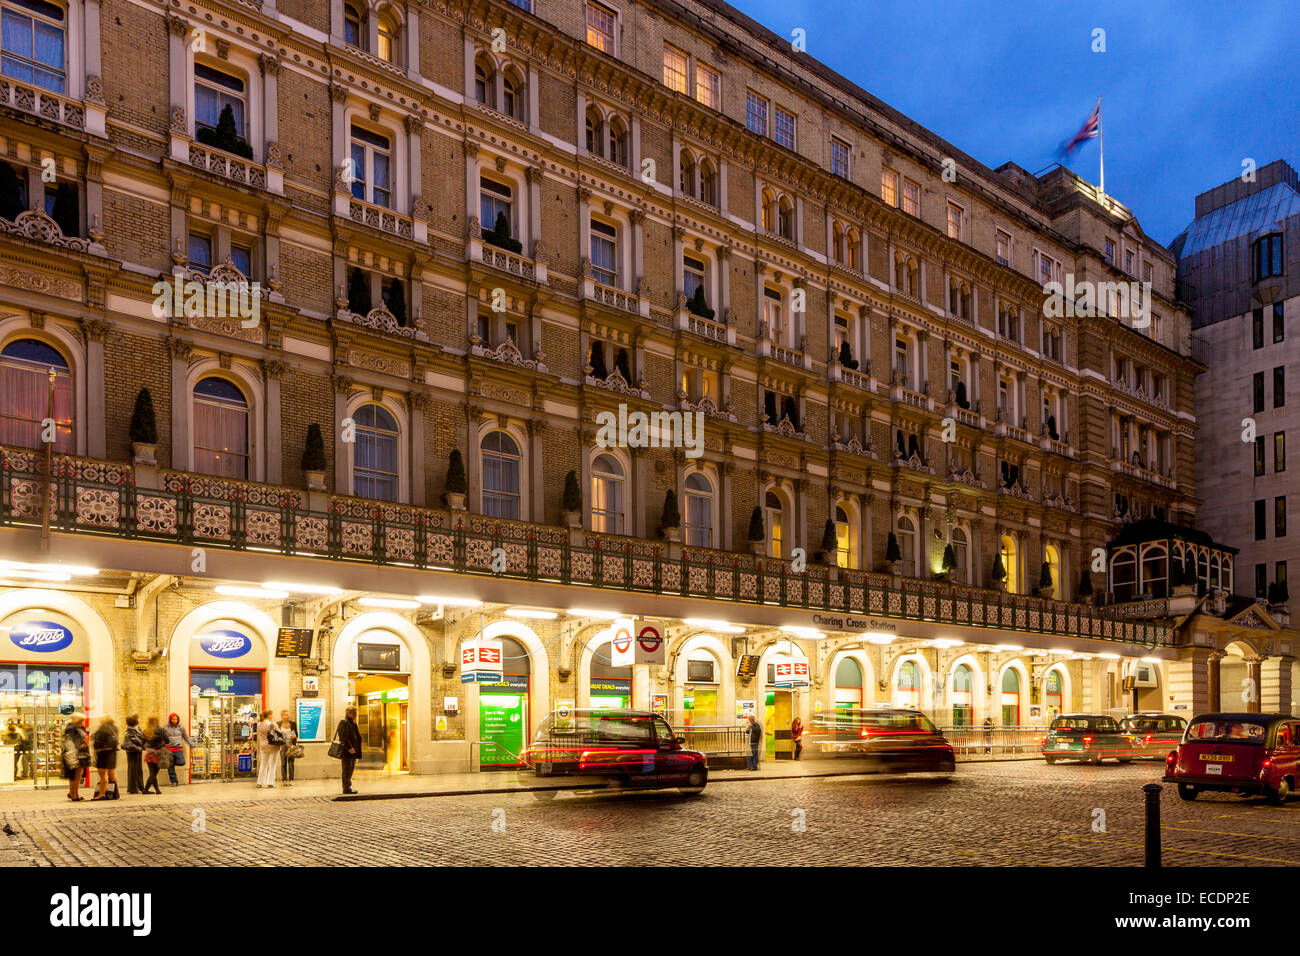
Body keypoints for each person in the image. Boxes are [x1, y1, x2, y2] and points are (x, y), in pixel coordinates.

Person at [90, 715, 120, 800]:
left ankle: (101, 794)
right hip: (112, 753)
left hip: (104, 753)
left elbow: (97, 740)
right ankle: (115, 793)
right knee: (112, 774)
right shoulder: (114, 728)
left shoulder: (103, 728)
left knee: (103, 775)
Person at [62, 714, 90, 801]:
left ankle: (75, 793)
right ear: (77, 721)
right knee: (75, 775)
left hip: (79, 754)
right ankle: (74, 794)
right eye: (81, 721)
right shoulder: (72, 729)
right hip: (75, 754)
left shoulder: (76, 728)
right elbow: (70, 743)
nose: (83, 723)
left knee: (77, 775)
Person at [336, 706, 363, 794]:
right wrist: (349, 748)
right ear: (348, 713)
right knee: (346, 769)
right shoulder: (344, 722)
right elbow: (343, 737)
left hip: (354, 751)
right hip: (347, 751)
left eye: (356, 713)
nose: (355, 714)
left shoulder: (353, 724)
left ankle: (348, 786)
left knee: (350, 769)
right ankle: (346, 788)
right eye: (354, 713)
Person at [160, 713, 191, 786]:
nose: (175, 720)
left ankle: (173, 763)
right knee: (170, 767)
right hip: (168, 749)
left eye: (176, 719)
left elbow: (186, 737)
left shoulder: (181, 728)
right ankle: (174, 781)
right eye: (173, 719)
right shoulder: (165, 728)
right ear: (170, 719)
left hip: (178, 749)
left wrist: (191, 744)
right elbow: (162, 738)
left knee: (181, 762)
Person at [255, 709, 282, 789]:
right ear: (269, 715)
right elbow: (279, 733)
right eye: (271, 714)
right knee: (272, 765)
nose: (272, 716)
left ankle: (259, 783)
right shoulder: (273, 724)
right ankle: (270, 783)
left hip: (263, 746)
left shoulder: (259, 725)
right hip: (273, 746)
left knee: (263, 764)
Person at [122, 715, 145, 794]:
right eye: (138, 719)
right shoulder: (131, 730)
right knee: (133, 769)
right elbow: (137, 739)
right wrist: (143, 743)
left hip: (137, 750)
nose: (139, 720)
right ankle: (133, 788)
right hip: (133, 751)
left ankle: (140, 787)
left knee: (138, 769)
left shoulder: (136, 728)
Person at [142, 716, 164, 795]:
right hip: (157, 752)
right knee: (154, 773)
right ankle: (154, 790)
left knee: (152, 772)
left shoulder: (145, 730)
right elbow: (167, 740)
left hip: (149, 753)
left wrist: (146, 747)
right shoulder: (160, 730)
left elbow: (142, 743)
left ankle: (148, 790)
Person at [278, 710, 299, 785]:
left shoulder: (293, 724)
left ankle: (291, 779)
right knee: (283, 763)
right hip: (282, 746)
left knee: (291, 763)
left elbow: (297, 734)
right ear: (282, 716)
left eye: (287, 715)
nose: (286, 716)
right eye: (284, 715)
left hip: (291, 746)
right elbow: (276, 735)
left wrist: (294, 737)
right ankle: (284, 780)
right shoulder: (278, 724)